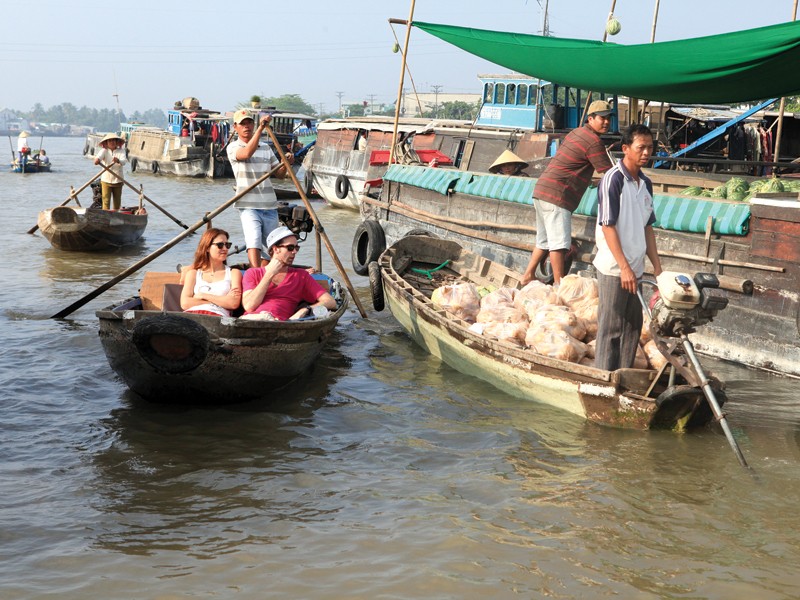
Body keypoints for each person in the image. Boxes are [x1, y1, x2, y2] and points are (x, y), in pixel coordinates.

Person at [520, 99, 615, 285]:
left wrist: (591, 181)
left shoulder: (576, 133)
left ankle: (528, 274)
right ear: (590, 118)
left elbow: (572, 165)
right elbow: (610, 174)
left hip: (542, 191)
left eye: (608, 119)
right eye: (602, 118)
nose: (606, 122)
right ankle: (559, 284)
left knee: (544, 240)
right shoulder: (593, 141)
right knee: (559, 243)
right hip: (557, 196)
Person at [593, 124, 663, 372]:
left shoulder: (645, 183)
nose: (646, 152)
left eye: (650, 147)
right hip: (615, 268)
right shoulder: (613, 180)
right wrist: (623, 267)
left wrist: (657, 267)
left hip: (636, 268)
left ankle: (623, 377)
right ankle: (603, 379)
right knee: (611, 327)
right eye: (640, 147)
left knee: (632, 328)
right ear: (625, 149)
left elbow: (647, 227)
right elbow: (607, 226)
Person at [227, 109, 295, 269]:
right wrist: (260, 129)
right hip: (248, 204)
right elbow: (246, 154)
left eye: (249, 122)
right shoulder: (233, 147)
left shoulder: (265, 147)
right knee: (254, 240)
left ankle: (268, 273)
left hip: (269, 204)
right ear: (235, 127)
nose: (247, 126)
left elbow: (279, 174)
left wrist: (285, 163)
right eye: (243, 124)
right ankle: (255, 275)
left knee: (272, 245)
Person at [241, 226, 336, 321]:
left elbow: (330, 302)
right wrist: (269, 274)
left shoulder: (301, 276)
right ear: (275, 249)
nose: (294, 252)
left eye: (296, 248)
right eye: (290, 248)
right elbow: (249, 306)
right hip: (250, 320)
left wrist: (306, 309)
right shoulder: (252, 273)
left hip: (278, 323)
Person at [180, 228, 243, 317]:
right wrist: (223, 301)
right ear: (207, 248)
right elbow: (185, 303)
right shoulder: (193, 274)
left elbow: (233, 303)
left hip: (217, 318)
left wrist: (203, 295)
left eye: (227, 245)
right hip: (191, 316)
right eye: (220, 245)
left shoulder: (234, 273)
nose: (225, 248)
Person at [93, 132, 127, 211]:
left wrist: (118, 160)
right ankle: (106, 217)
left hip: (118, 180)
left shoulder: (121, 151)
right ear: (106, 143)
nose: (112, 142)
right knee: (106, 201)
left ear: (116, 142)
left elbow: (124, 162)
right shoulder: (104, 151)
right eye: (110, 141)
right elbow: (98, 158)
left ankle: (115, 217)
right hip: (106, 180)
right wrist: (97, 160)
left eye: (113, 141)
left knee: (117, 203)